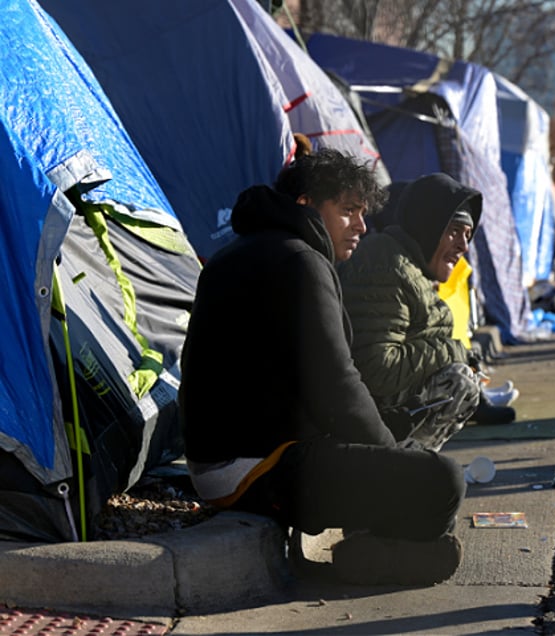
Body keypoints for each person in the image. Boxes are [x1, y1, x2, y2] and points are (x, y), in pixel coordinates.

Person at [178, 149, 466, 586]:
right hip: (258, 469)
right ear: (306, 204)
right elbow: (336, 385)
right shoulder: (299, 260)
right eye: (348, 210)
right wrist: (390, 455)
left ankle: (380, 550)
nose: (361, 226)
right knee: (442, 480)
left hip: (234, 458)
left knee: (403, 444)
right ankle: (367, 556)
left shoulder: (250, 250)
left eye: (363, 212)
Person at [337, 173, 515, 453]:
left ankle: (409, 467)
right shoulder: (385, 265)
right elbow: (378, 369)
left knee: (460, 374)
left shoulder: (408, 266)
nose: (463, 246)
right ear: (428, 225)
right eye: (455, 231)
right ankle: (399, 468)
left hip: (370, 410)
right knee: (458, 381)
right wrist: (453, 352)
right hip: (356, 420)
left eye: (468, 235)